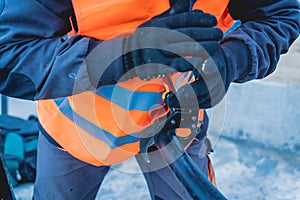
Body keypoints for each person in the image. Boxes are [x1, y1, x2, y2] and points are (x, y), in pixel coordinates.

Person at [0, 0, 299, 199]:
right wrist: (122, 55)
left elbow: (280, 15)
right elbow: (10, 55)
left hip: (179, 124)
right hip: (77, 129)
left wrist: (232, 59)